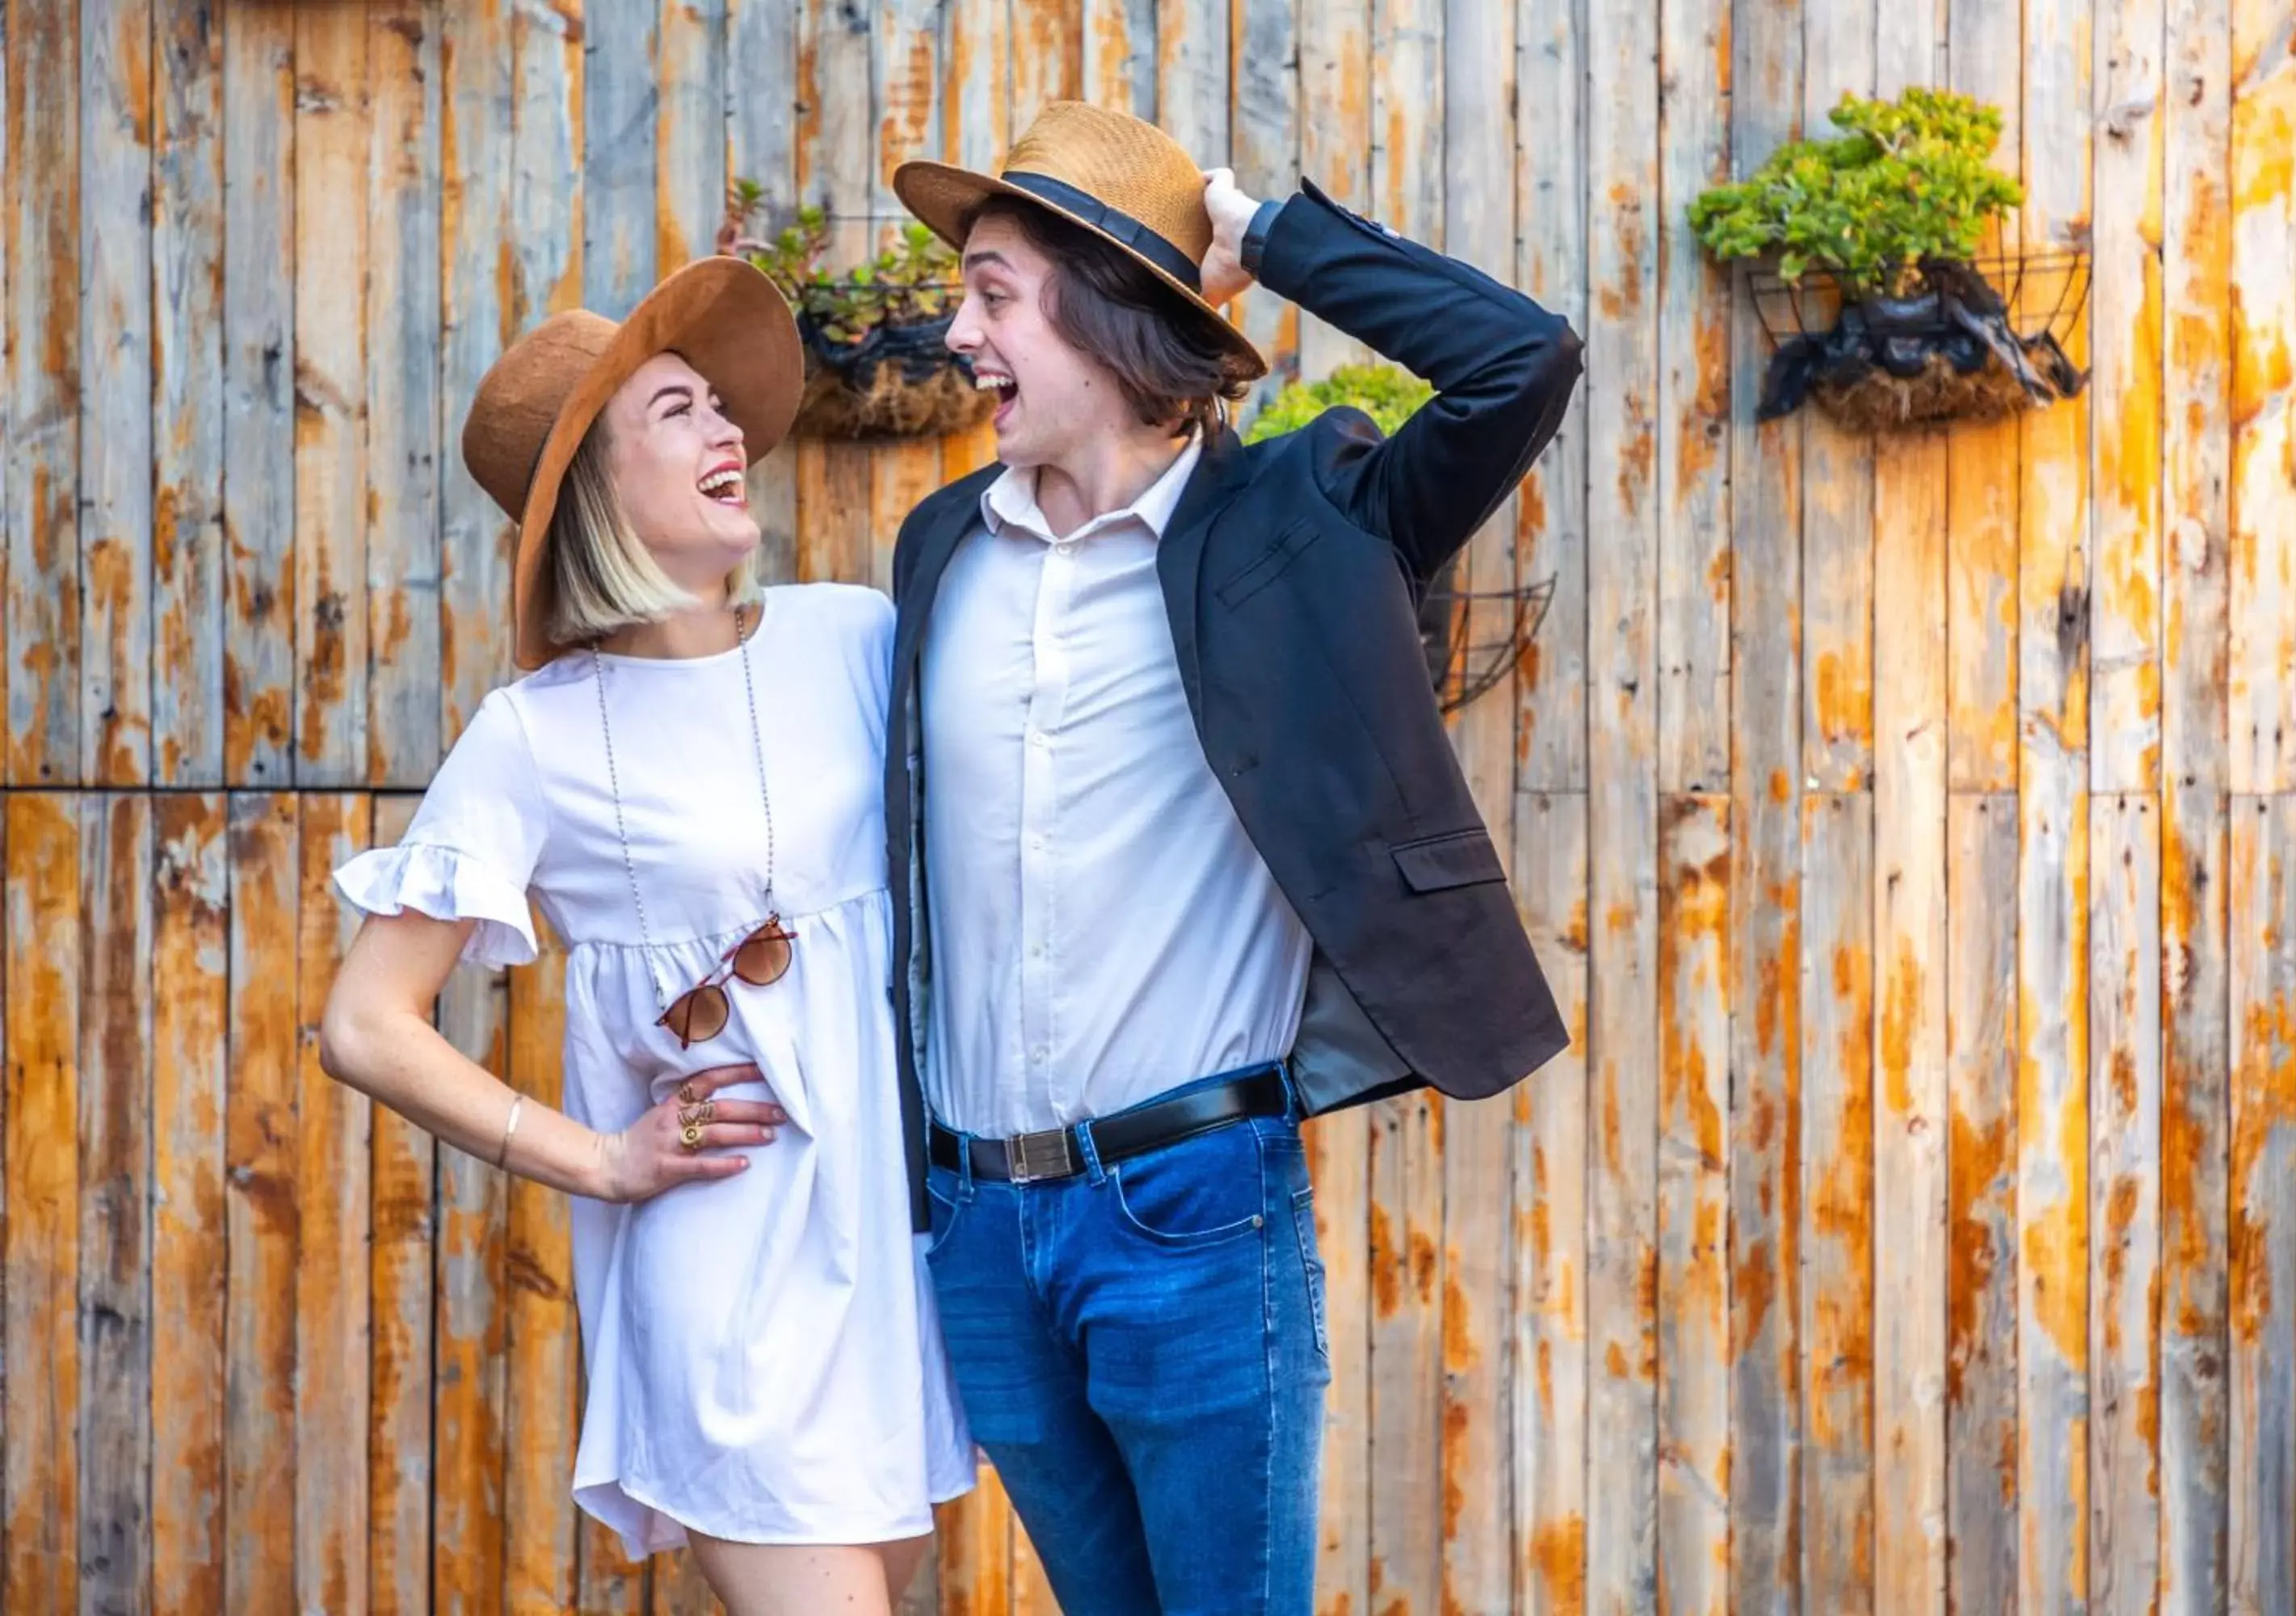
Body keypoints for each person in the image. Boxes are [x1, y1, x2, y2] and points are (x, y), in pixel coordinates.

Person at [879, 101, 1583, 1614]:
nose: (957, 332)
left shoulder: (1308, 520)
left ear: (1111, 314)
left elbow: (1519, 357)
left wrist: (1254, 232)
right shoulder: (938, 550)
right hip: (978, 1230)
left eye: (993, 293)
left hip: (1191, 1208)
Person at [317, 256, 974, 1615]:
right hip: (727, 1287)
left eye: (721, 407)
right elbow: (364, 1023)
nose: (729, 430)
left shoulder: (854, 637)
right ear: (599, 493)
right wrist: (603, 1162)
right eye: (679, 412)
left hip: (896, 1268)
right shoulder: (535, 739)